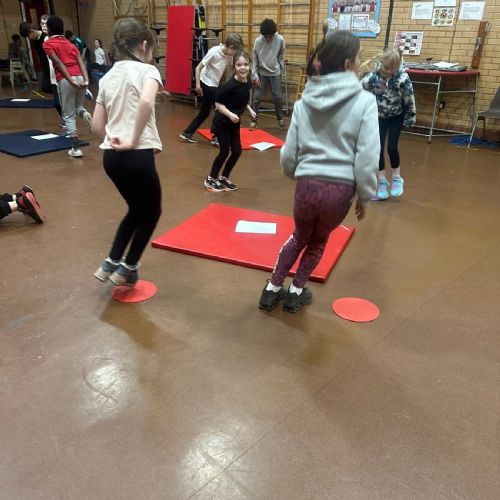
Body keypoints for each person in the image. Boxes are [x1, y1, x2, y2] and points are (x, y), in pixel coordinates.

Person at [258, 32, 379, 313]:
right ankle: (296, 292)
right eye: (359, 57)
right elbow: (367, 157)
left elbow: (289, 153)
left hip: (307, 185)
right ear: (348, 63)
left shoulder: (304, 101)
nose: (360, 62)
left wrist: (297, 174)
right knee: (318, 241)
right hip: (340, 190)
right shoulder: (365, 102)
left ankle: (272, 289)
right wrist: (365, 196)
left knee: (299, 236)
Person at [92, 17, 163, 288]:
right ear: (144, 45)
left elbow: (97, 126)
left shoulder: (108, 77)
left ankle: (110, 262)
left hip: (111, 157)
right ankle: (128, 267)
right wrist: (133, 140)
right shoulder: (148, 71)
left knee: (136, 209)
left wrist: (113, 139)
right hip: (137, 155)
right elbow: (145, 101)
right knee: (152, 212)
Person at [360, 48, 416, 200]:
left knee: (391, 147)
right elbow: (360, 89)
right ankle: (382, 182)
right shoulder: (373, 77)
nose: (389, 71)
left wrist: (410, 117)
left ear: (397, 66)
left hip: (396, 116)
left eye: (393, 69)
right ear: (382, 63)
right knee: (377, 149)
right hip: (378, 117)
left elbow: (409, 99)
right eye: (386, 68)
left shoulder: (402, 78)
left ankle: (397, 178)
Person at [203, 50, 256, 192]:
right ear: (234, 68)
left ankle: (224, 177)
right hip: (222, 122)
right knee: (224, 151)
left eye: (245, 64)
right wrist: (230, 114)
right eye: (239, 65)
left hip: (234, 123)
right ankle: (211, 179)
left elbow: (241, 99)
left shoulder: (247, 82)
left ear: (249, 65)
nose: (243, 68)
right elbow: (218, 104)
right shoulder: (229, 85)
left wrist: (249, 110)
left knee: (237, 151)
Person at [179, 33, 243, 145]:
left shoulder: (228, 55)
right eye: (235, 50)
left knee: (205, 112)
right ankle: (215, 136)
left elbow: (231, 68)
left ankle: (187, 133)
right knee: (220, 109)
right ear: (231, 47)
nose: (234, 53)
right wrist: (197, 85)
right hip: (206, 83)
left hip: (214, 84)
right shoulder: (214, 52)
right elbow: (198, 68)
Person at [44, 15, 92, 157]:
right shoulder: (70, 44)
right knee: (78, 107)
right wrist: (86, 80)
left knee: (68, 114)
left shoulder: (48, 44)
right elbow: (80, 61)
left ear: (50, 29)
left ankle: (76, 149)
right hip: (80, 76)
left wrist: (70, 80)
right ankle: (85, 114)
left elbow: (58, 63)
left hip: (66, 79)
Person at [19, 17, 63, 119]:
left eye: (28, 36)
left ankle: (66, 116)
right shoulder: (35, 41)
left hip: (54, 69)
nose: (29, 38)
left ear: (32, 31)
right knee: (45, 87)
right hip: (46, 69)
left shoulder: (46, 38)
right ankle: (62, 95)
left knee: (57, 102)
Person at [250, 19, 286, 130]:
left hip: (275, 73)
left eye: (270, 37)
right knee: (257, 97)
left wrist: (281, 69)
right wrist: (255, 76)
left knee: (278, 97)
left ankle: (280, 118)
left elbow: (281, 55)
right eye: (265, 37)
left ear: (274, 34)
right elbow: (254, 60)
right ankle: (254, 120)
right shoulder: (258, 41)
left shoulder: (280, 39)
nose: (268, 39)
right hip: (261, 73)